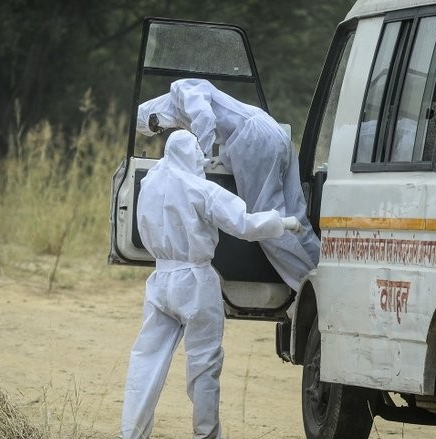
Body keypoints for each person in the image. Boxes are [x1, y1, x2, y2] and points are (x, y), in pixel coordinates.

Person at [118, 130, 302, 439]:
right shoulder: (201, 189)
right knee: (203, 362)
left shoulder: (149, 183)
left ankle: (132, 438)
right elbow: (244, 225)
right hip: (195, 279)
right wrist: (282, 222)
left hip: (160, 279)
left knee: (146, 357)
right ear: (192, 156)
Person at [135, 78, 319, 291]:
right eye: (156, 130)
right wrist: (224, 158)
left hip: (253, 139)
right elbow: (225, 123)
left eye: (154, 123)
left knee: (269, 224)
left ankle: (309, 286)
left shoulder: (180, 90)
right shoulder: (184, 111)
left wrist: (198, 157)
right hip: (269, 130)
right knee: (296, 216)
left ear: (153, 109)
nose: (160, 127)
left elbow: (205, 117)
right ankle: (324, 270)